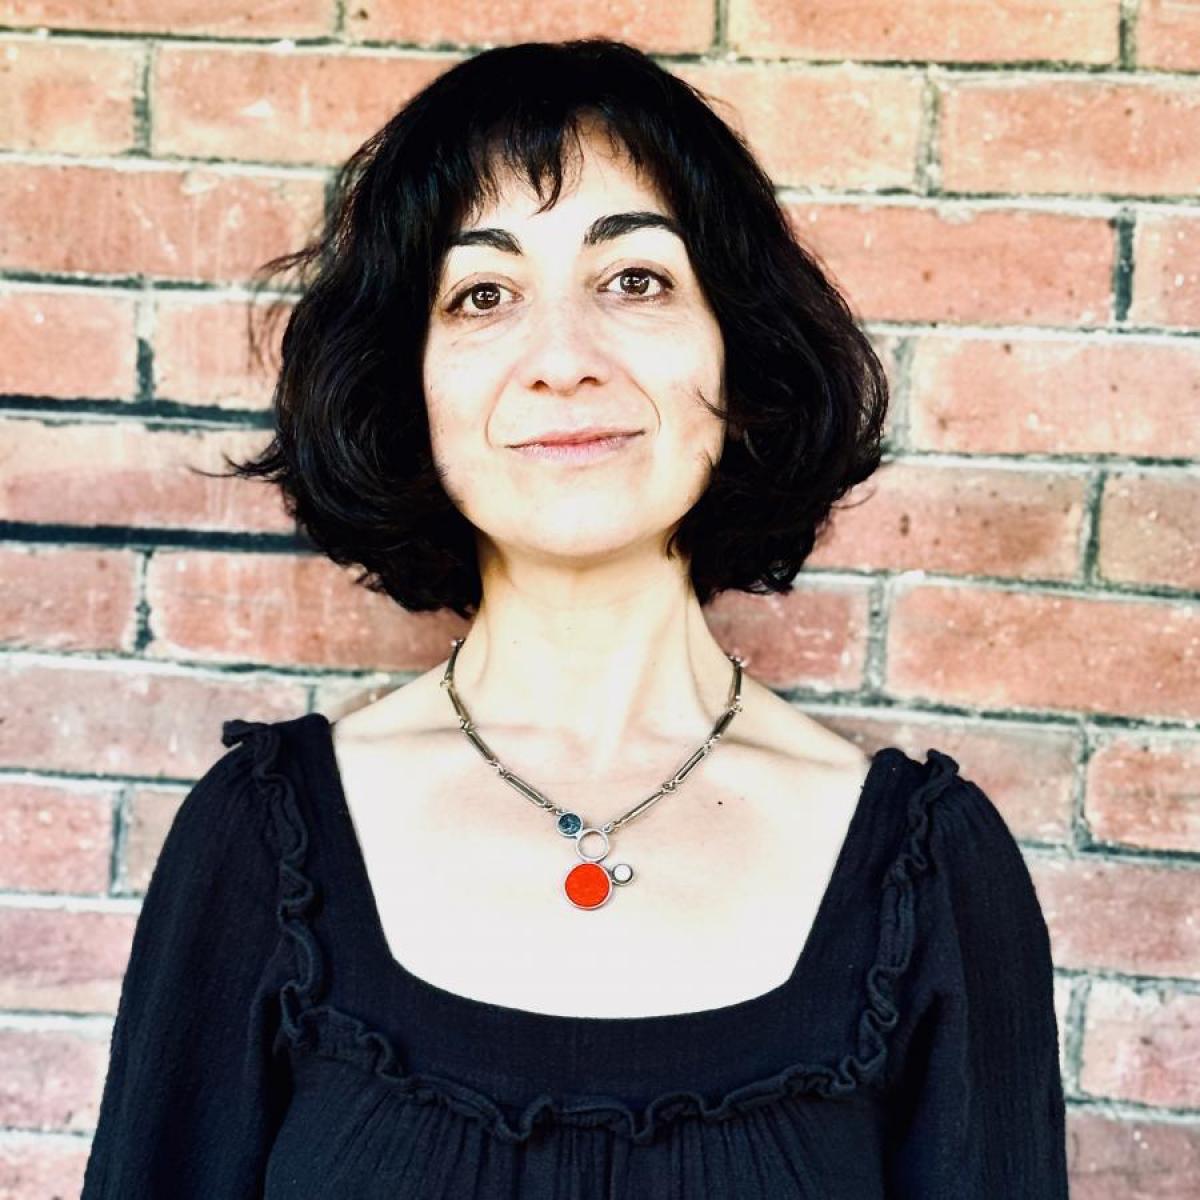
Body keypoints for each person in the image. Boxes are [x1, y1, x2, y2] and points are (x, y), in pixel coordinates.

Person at [81, 37, 1069, 1199]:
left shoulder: (932, 877)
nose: (563, 359)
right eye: (483, 294)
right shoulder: (257, 847)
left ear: (737, 358)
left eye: (635, 280)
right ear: (412, 389)